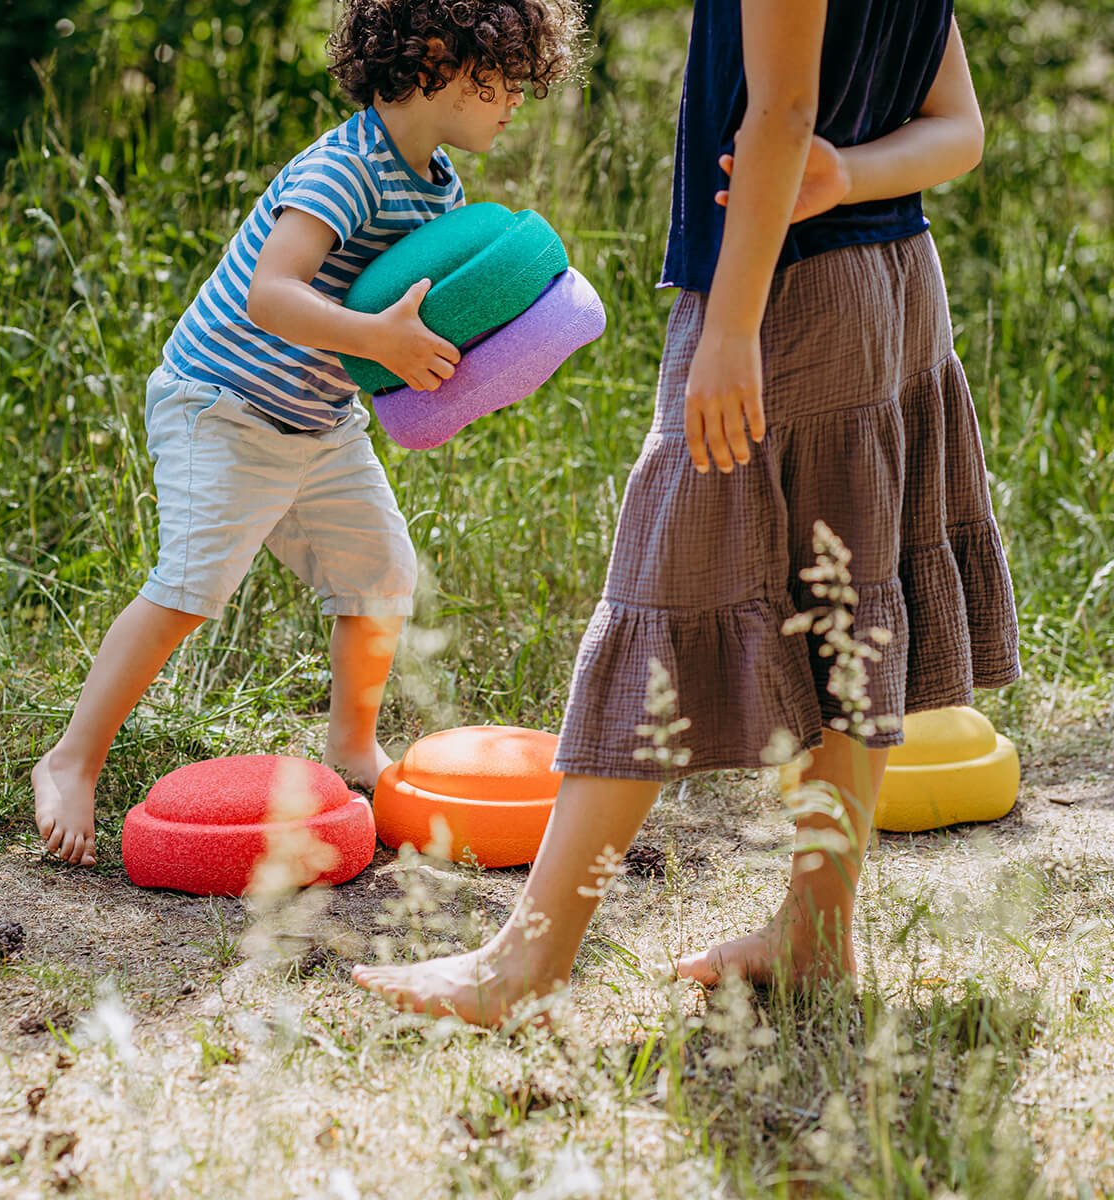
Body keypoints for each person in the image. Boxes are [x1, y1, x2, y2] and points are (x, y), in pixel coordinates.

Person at [353, 0, 1021, 1022]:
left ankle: (523, 965)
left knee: (666, 591)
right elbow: (959, 128)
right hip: (891, 285)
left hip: (783, 295)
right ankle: (817, 931)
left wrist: (732, 324)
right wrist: (853, 177)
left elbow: (784, 112)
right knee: (842, 603)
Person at [33, 0, 583, 866]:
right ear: (439, 58)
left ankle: (353, 748)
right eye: (505, 76)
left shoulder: (440, 185)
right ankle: (71, 759)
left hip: (320, 419)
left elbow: (421, 319)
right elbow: (272, 294)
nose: (519, 97)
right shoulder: (345, 167)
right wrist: (378, 342)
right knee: (190, 586)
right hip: (223, 401)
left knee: (381, 572)